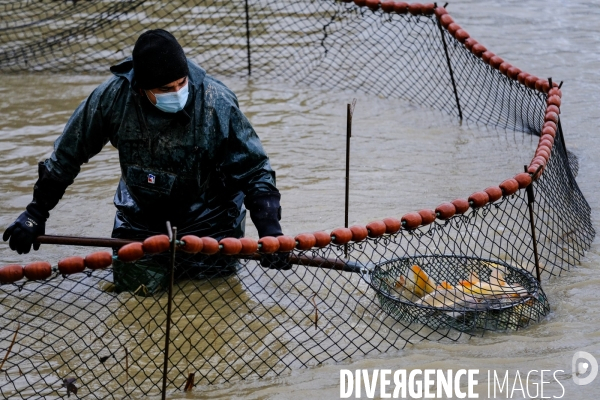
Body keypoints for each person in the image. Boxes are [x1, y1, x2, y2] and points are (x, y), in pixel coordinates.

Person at [3, 29, 290, 288]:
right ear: (141, 89)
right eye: (165, 89)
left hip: (211, 220)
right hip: (139, 219)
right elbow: (67, 156)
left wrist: (271, 233)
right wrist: (36, 212)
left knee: (209, 301)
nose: (177, 93)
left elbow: (254, 170)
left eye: (181, 83)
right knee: (136, 297)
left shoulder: (216, 101)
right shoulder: (111, 98)